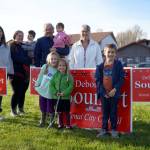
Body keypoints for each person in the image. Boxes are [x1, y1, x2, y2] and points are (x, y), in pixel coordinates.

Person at [95, 44, 124, 138]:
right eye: (109, 52)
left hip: (114, 94)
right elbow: (98, 81)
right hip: (104, 95)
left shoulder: (118, 65)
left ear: (115, 54)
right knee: (105, 113)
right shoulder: (100, 66)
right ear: (104, 53)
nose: (110, 54)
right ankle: (104, 129)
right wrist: (103, 92)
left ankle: (114, 130)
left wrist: (115, 89)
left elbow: (121, 79)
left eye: (113, 52)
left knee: (113, 113)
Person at [9, 30, 32, 116]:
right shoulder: (11, 45)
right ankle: (13, 110)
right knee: (17, 92)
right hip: (15, 73)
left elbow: (29, 59)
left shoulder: (23, 47)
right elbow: (16, 58)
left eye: (22, 36)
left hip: (25, 73)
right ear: (15, 36)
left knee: (23, 92)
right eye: (19, 35)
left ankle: (20, 109)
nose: (21, 37)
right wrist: (26, 60)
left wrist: (26, 60)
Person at [35, 51, 60, 127]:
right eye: (52, 59)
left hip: (51, 93)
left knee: (50, 107)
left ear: (58, 60)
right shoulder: (45, 66)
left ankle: (51, 122)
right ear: (49, 59)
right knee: (42, 106)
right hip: (43, 90)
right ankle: (42, 121)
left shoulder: (58, 70)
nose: (53, 60)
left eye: (55, 59)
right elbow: (40, 76)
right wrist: (37, 85)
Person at [50, 58, 74, 129]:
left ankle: (68, 124)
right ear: (57, 67)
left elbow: (71, 85)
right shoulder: (55, 75)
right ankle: (60, 124)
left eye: (63, 65)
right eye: (60, 65)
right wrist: (55, 92)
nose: (61, 67)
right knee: (59, 111)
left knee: (67, 112)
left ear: (66, 66)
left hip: (65, 98)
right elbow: (51, 85)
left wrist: (64, 93)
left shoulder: (69, 76)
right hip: (57, 97)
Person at [0, 26, 14, 120]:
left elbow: (9, 60)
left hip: (2, 72)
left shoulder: (6, 46)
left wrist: (10, 73)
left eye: (0, 32)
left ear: (2, 33)